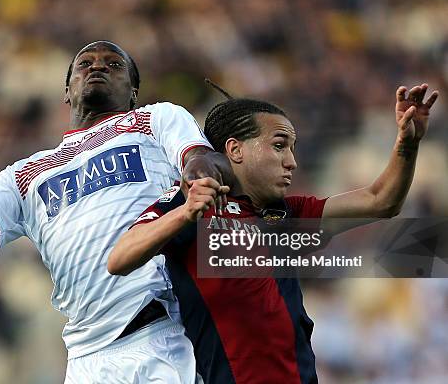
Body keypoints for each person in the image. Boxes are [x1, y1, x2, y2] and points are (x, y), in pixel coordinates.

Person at [0, 40, 233, 383]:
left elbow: (197, 158)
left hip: (158, 331)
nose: (97, 67)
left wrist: (197, 181)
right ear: (67, 90)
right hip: (85, 353)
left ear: (133, 90)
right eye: (84, 64)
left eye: (114, 64)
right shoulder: (22, 176)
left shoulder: (155, 120)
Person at [108, 84, 439, 383]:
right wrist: (184, 213)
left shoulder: (287, 214)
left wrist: (407, 144)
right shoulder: (192, 202)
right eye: (279, 146)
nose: (291, 161)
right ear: (235, 150)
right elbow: (119, 259)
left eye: (292, 148)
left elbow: (380, 201)